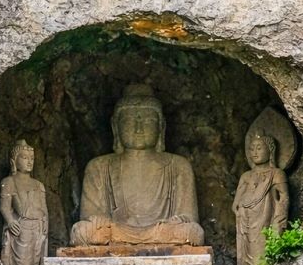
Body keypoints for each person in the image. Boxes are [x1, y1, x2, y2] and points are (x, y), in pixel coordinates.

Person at [70, 85, 204, 246]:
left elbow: (189, 220)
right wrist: (100, 223)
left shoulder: (179, 166)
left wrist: (175, 224)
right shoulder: (98, 167)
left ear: (161, 127)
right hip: (115, 231)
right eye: (129, 120)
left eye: (148, 120)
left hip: (163, 232)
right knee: (83, 232)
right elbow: (90, 219)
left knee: (193, 233)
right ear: (115, 127)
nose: (138, 128)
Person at [233, 132, 288, 265]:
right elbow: (236, 204)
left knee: (262, 260)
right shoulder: (246, 176)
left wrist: (278, 222)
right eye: (251, 149)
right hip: (245, 222)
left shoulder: (276, 174)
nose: (254, 152)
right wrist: (241, 210)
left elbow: (283, 199)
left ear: (270, 151)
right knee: (245, 263)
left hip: (265, 221)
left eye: (259, 148)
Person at [0, 140, 48, 265]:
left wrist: (45, 224)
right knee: (21, 263)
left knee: (36, 261)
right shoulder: (9, 182)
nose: (29, 161)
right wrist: (10, 221)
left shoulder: (38, 185)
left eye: (32, 158)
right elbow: (4, 207)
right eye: (24, 157)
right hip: (21, 227)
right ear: (14, 160)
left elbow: (44, 209)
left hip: (38, 226)